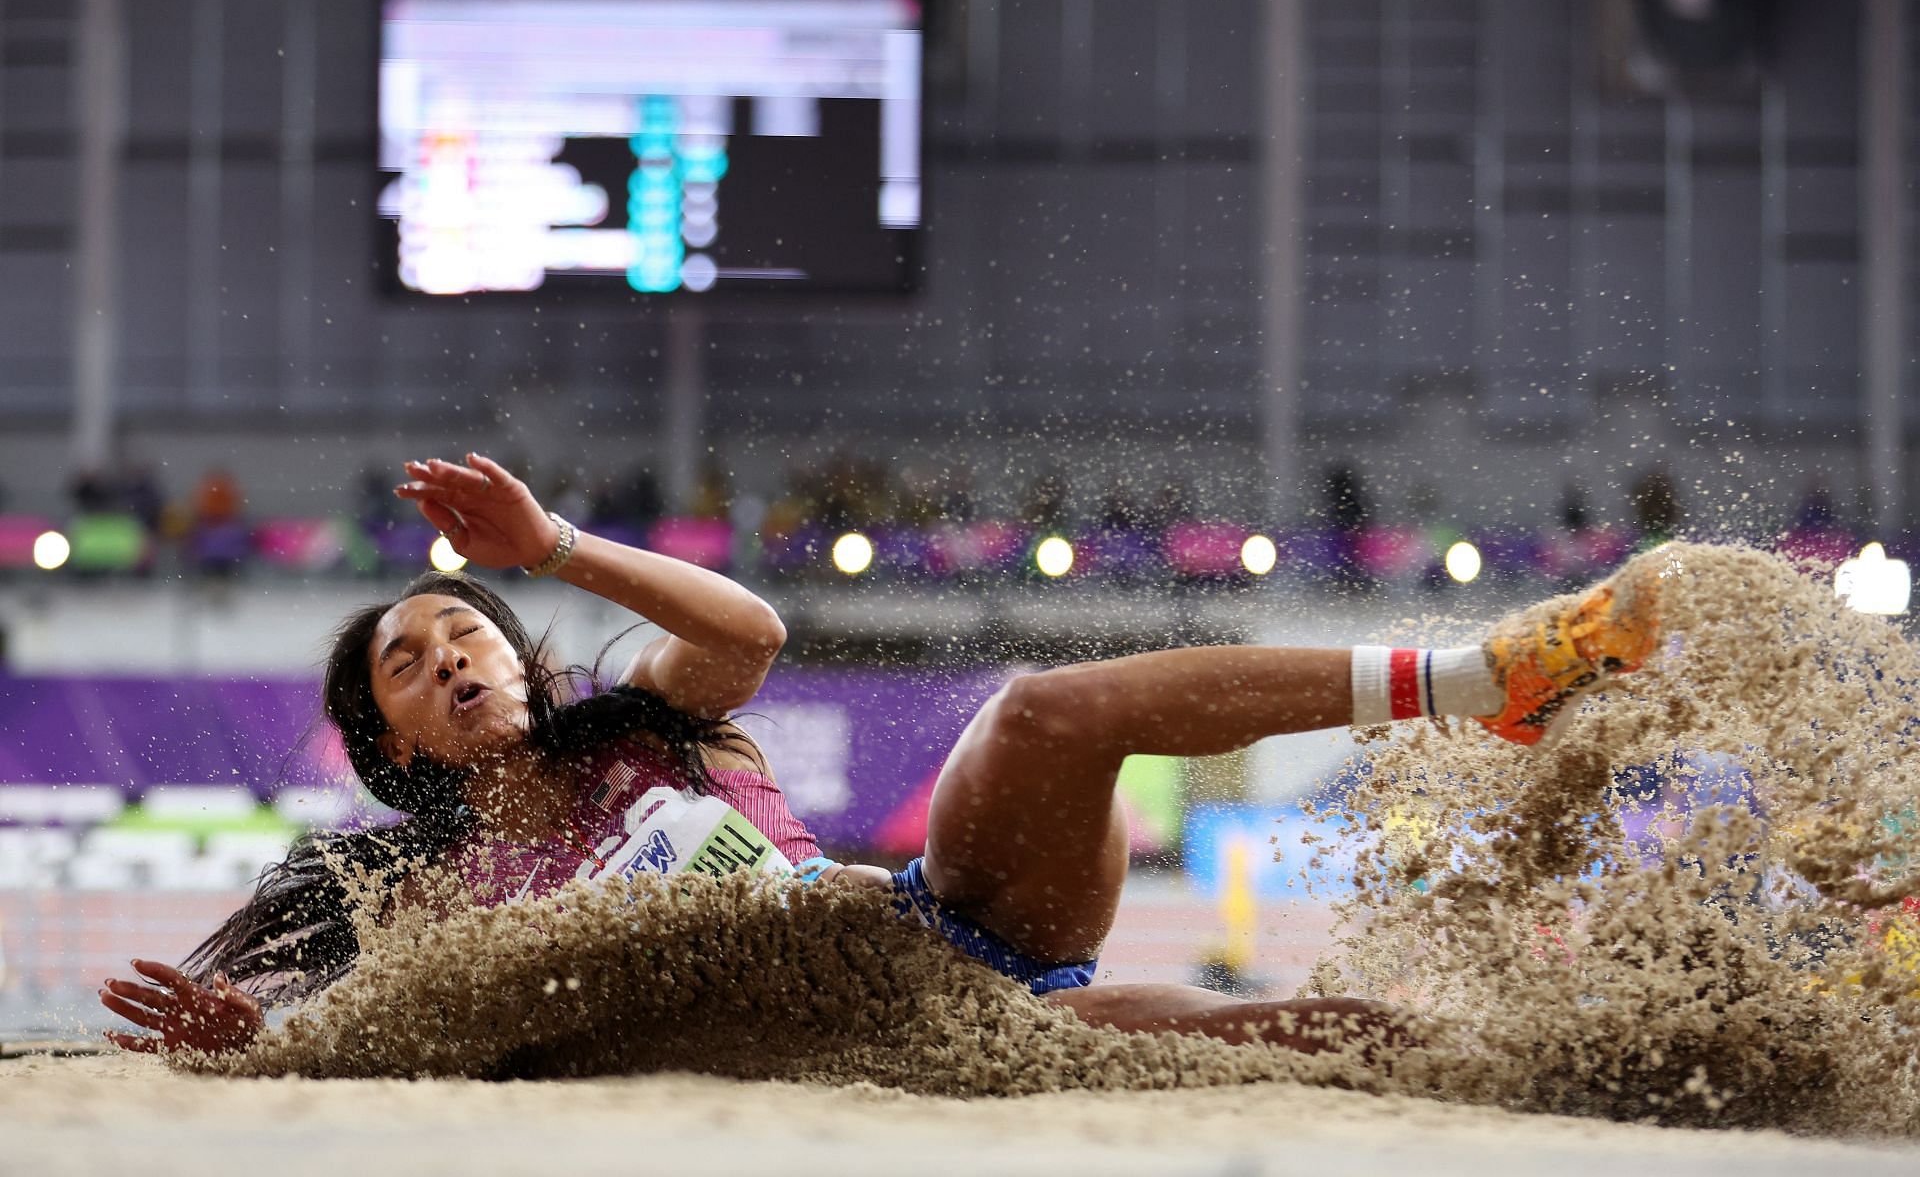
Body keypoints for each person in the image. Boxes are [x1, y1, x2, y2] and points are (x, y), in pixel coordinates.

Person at [99, 453, 1664, 1062]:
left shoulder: (637, 719)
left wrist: (560, 544)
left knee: (1043, 712)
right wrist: (261, 1034)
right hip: (889, 1037)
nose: (448, 654)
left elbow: (752, 634)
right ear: (385, 738)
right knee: (1243, 1027)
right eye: (407, 663)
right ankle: (1570, 1053)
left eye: (467, 631)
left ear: (517, 652)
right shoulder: (422, 890)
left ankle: (1483, 677)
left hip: (925, 922)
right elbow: (388, 1032)